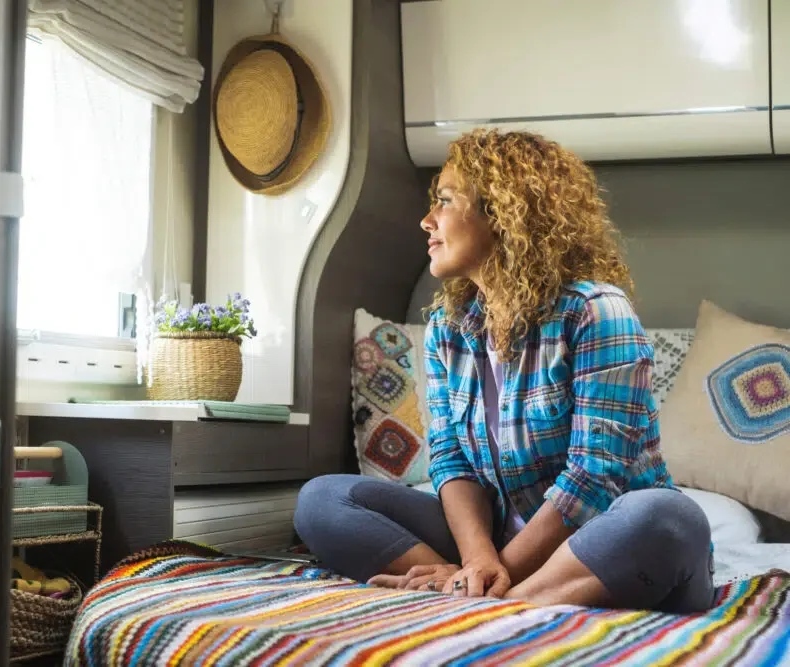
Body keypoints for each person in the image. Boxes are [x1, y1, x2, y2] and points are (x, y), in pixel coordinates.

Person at [293, 129, 715, 613]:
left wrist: (497, 571)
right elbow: (450, 461)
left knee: (667, 516)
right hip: (496, 544)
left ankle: (485, 602)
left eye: (446, 202)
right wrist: (477, 561)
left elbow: (593, 480)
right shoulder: (447, 330)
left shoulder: (597, 312)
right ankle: (481, 595)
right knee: (323, 500)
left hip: (601, 545)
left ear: (503, 212)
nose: (427, 221)